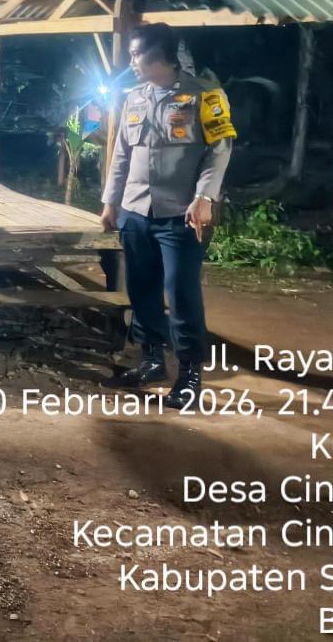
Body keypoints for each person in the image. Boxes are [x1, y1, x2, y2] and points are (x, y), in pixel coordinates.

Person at [99, 23, 235, 409]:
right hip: (136, 210)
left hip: (182, 214)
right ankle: (152, 361)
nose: (131, 62)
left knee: (181, 293)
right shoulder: (134, 97)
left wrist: (205, 197)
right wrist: (111, 202)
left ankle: (190, 376)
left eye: (136, 54)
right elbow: (122, 153)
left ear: (159, 55)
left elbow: (219, 150)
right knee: (142, 289)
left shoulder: (205, 95)